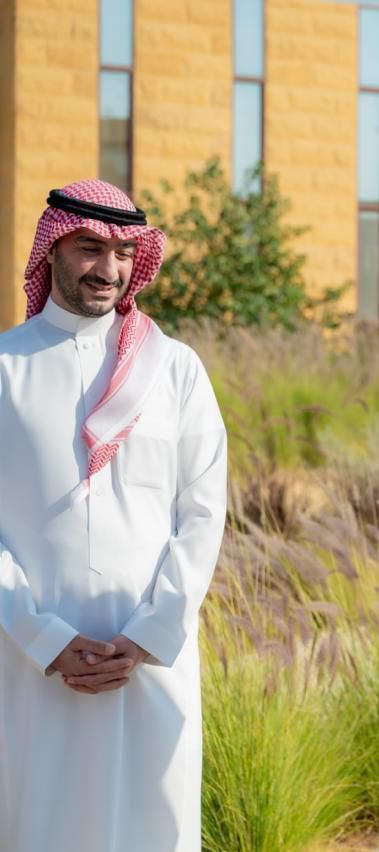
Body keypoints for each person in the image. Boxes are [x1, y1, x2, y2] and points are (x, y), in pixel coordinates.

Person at [0, 180, 228, 851]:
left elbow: (203, 511)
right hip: (26, 663)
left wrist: (151, 633)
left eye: (124, 253)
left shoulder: (175, 369)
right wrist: (41, 637)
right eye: (90, 248)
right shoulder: (5, 367)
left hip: (149, 663)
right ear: (51, 251)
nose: (109, 268)